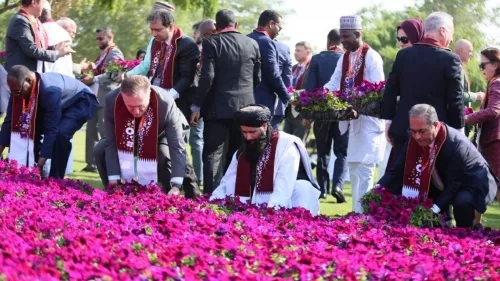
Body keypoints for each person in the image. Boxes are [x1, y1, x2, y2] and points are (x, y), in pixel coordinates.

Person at [378, 104, 497, 228]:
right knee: (431, 214)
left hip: (472, 182)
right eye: (413, 131)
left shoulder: (455, 144)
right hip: (443, 180)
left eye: (422, 131)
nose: (417, 136)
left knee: (462, 202)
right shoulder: (413, 138)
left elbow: (453, 186)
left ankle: (465, 235)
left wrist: (432, 211)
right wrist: (376, 189)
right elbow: (397, 169)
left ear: (435, 125)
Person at [190, 9, 261, 194]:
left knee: (213, 154)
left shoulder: (212, 42)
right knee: (238, 154)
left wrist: (196, 105)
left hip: (217, 108)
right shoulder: (252, 43)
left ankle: (211, 196)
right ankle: (235, 195)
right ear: (235, 25)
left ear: (216, 26)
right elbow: (257, 77)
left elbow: (207, 77)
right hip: (245, 108)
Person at [382, 12, 464, 162]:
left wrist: (389, 121)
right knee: (433, 183)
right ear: (442, 31)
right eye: (451, 33)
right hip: (435, 133)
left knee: (402, 180)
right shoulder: (450, 59)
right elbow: (455, 99)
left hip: (403, 128)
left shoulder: (403, 55)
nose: (451, 39)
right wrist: (459, 130)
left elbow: (391, 90)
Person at [324, 15, 386, 213]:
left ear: (357, 34)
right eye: (341, 37)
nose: (342, 41)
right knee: (353, 166)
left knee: (366, 168)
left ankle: (362, 213)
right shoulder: (344, 57)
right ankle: (355, 211)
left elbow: (377, 89)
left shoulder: (372, 56)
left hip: (368, 120)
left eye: (345, 37)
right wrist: (319, 95)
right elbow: (334, 82)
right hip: (350, 120)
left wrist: (358, 104)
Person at [211, 105, 321, 215]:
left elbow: (284, 185)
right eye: (244, 132)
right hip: (256, 206)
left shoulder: (286, 146)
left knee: (302, 187)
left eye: (252, 132)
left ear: (264, 126)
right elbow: (226, 182)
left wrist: (270, 214)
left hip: (290, 200)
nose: (248, 137)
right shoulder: (242, 152)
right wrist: (212, 204)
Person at [93, 75, 193, 196]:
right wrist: (113, 180)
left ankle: (167, 194)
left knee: (164, 154)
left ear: (149, 93)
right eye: (130, 106)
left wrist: (176, 185)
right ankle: (113, 192)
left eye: (140, 106)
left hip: (161, 134)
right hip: (127, 135)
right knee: (100, 148)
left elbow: (176, 146)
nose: (136, 112)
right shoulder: (111, 100)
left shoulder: (165, 102)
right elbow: (111, 142)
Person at [0, 65, 98, 178]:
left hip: (80, 101)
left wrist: (39, 166)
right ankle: (35, 173)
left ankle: (55, 179)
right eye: (13, 92)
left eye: (18, 91)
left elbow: (51, 129)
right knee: (30, 128)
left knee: (60, 134)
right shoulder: (18, 89)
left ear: (29, 80)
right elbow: (9, 121)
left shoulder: (49, 90)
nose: (17, 95)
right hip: (60, 102)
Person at [303, 29, 348, 201]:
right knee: (341, 152)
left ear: (328, 42)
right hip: (343, 113)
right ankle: (338, 185)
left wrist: (307, 114)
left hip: (321, 113)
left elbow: (310, 88)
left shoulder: (317, 59)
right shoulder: (348, 59)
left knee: (323, 151)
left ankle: (322, 189)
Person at [379, 18, 425, 179]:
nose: (400, 43)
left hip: (424, 128)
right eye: (398, 39)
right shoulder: (403, 57)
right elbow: (391, 89)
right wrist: (388, 121)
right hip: (403, 125)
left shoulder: (432, 60)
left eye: (404, 39)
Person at [80, 27, 124, 173]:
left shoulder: (115, 53)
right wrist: (90, 71)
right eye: (97, 39)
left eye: (101, 38)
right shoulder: (102, 54)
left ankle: (108, 164)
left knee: (105, 131)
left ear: (110, 37)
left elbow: (113, 74)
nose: (98, 41)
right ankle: (91, 164)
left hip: (106, 98)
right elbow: (99, 72)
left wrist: (93, 77)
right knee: (90, 132)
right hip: (95, 97)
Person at [464, 47, 500, 213]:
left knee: (492, 184)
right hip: (491, 141)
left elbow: (494, 110)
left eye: (483, 64)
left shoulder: (497, 83)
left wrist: (468, 118)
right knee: (484, 184)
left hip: (494, 142)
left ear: (494, 64)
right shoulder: (494, 83)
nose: (481, 69)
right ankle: (475, 226)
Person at [5, 0, 74, 72]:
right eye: (43, 2)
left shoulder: (33, 20)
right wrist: (57, 53)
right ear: (34, 3)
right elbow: (31, 50)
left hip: (31, 75)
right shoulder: (20, 21)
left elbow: (38, 47)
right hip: (20, 76)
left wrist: (54, 48)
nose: (44, 6)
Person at [248, 10, 291, 123]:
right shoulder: (267, 42)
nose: (279, 32)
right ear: (271, 24)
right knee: (261, 138)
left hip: (243, 99)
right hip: (262, 101)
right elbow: (273, 74)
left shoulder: (245, 39)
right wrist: (287, 97)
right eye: (279, 27)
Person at [189, 19, 216, 186]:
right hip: (200, 99)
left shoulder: (201, 50)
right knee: (198, 139)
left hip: (203, 99)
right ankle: (201, 176)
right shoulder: (196, 50)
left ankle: (201, 177)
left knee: (198, 139)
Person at [284, 41, 313, 140]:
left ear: (308, 52)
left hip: (304, 112)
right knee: (286, 141)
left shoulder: (313, 68)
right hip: (290, 111)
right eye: (295, 50)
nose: (295, 53)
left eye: (298, 50)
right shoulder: (293, 68)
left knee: (298, 143)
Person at [454, 39, 485, 105]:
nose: (471, 55)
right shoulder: (456, 67)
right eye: (470, 51)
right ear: (460, 50)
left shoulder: (457, 65)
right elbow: (457, 95)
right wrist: (476, 96)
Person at [271, 41, 293, 129]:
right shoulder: (283, 48)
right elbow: (287, 78)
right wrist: (286, 98)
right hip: (275, 103)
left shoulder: (249, 40)